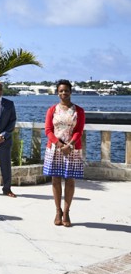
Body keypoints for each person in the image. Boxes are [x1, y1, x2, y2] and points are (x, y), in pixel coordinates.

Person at [43, 79, 85, 227]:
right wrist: (59, 144)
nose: (63, 93)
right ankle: (58, 211)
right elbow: (48, 130)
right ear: (57, 93)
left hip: (72, 149)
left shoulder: (79, 111)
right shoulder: (52, 110)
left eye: (66, 90)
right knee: (55, 180)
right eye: (61, 91)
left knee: (70, 180)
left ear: (70, 92)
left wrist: (70, 145)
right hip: (55, 149)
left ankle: (66, 212)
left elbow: (79, 130)